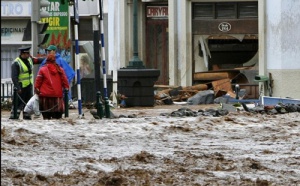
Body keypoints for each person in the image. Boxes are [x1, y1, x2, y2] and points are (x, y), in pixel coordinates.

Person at [35, 53, 69, 119]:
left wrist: (36, 90)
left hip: (45, 98)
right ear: (54, 60)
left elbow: (38, 82)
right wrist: (66, 88)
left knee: (46, 119)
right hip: (57, 97)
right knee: (57, 119)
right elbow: (65, 81)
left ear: (47, 60)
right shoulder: (60, 69)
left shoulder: (42, 69)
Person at [9, 46, 34, 120]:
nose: (28, 55)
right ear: (22, 54)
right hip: (20, 88)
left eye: (28, 53)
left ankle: (27, 119)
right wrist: (18, 88)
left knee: (28, 105)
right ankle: (14, 118)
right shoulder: (16, 63)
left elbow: (38, 60)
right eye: (27, 54)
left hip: (28, 87)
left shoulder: (29, 60)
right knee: (17, 105)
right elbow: (14, 77)